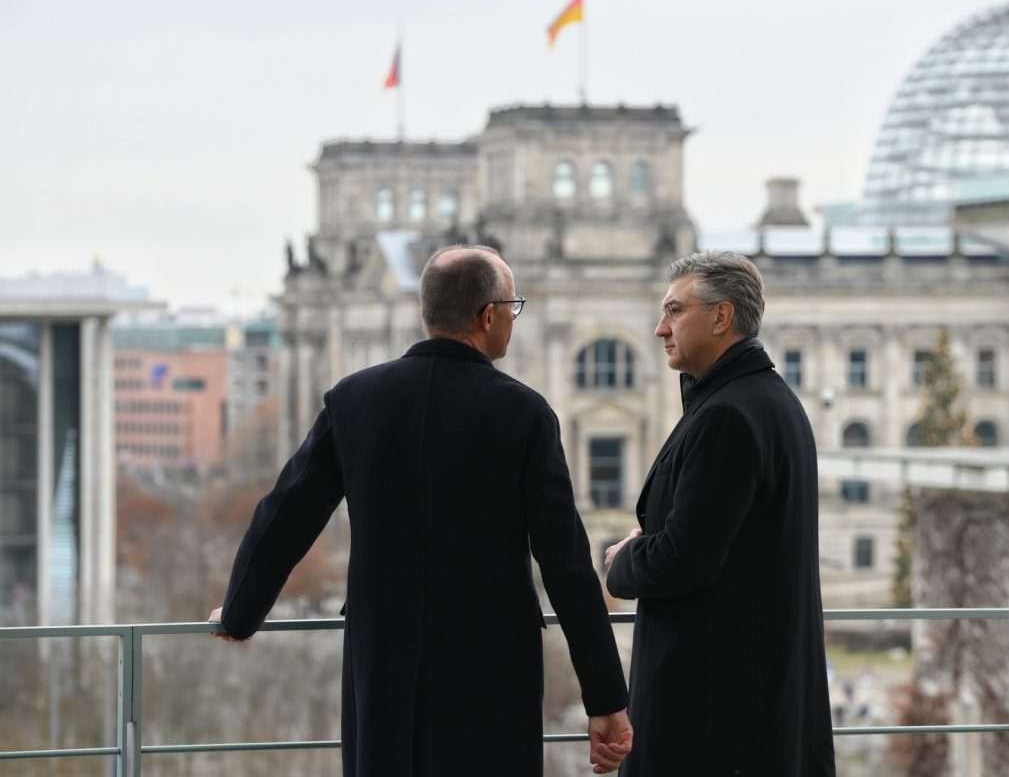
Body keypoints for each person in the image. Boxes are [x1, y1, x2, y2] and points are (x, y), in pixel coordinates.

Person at [210, 245, 633, 776]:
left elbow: (287, 513)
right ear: (488, 316)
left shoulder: (353, 400)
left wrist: (241, 611)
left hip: (382, 662)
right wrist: (606, 698)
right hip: (491, 669)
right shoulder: (524, 413)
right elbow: (567, 564)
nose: (512, 321)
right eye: (512, 309)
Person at [604, 251, 835, 775]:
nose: (660, 328)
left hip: (713, 713)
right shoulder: (767, 400)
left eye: (674, 310)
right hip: (752, 704)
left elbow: (685, 559)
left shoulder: (728, 415)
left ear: (721, 317)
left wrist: (621, 560)